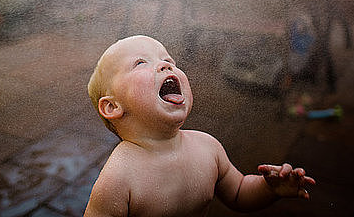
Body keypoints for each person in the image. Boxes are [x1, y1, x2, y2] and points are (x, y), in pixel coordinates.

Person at [85, 35, 315, 216]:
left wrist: (269, 189)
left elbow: (238, 193)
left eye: (168, 61)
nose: (166, 67)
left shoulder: (207, 147)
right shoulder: (118, 177)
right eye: (140, 63)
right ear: (113, 107)